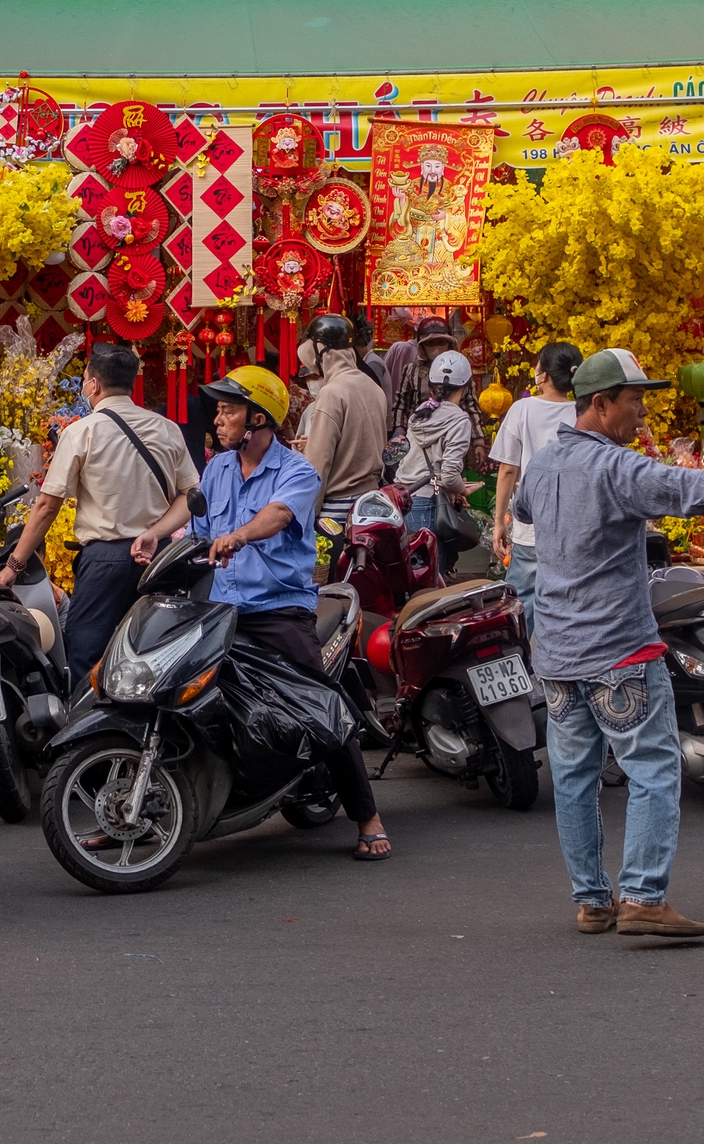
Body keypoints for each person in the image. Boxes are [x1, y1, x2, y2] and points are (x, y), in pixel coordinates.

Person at [516, 348, 704, 938]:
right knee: (652, 767)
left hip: (555, 650)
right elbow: (680, 485)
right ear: (600, 405)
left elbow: (525, 508)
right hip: (614, 648)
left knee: (575, 777)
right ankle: (644, 898)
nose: (641, 414)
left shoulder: (543, 465)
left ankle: (592, 902)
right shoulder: (612, 468)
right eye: (634, 401)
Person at [135, 365, 392, 861]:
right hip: (221, 609)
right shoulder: (218, 468)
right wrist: (154, 535)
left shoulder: (297, 471)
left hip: (278, 612)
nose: (218, 418)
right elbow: (194, 515)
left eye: (228, 410)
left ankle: (367, 816)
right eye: (220, 409)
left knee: (325, 707)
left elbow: (276, 516)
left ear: (258, 418)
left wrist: (240, 534)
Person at [0, 342, 197, 686]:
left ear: (93, 385)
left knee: (88, 652)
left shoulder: (80, 432)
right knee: (152, 651)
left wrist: (12, 567)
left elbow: (47, 506)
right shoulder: (167, 429)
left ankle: (89, 731)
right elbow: (190, 496)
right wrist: (155, 532)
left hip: (105, 562)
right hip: (159, 558)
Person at [490, 342, 581, 637]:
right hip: (574, 526)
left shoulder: (523, 409)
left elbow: (508, 470)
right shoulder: (584, 412)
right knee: (570, 602)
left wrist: (499, 521)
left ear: (544, 376)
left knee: (520, 604)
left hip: (532, 525)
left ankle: (519, 665)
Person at [295, 313, 388, 511]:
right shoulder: (373, 387)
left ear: (321, 352)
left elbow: (318, 464)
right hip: (371, 501)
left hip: (338, 505)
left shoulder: (331, 393)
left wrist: (307, 516)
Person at [395, 351, 476, 541]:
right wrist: (462, 490)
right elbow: (448, 475)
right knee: (431, 566)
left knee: (411, 568)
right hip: (430, 503)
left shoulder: (420, 413)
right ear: (466, 386)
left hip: (404, 498)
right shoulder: (459, 420)